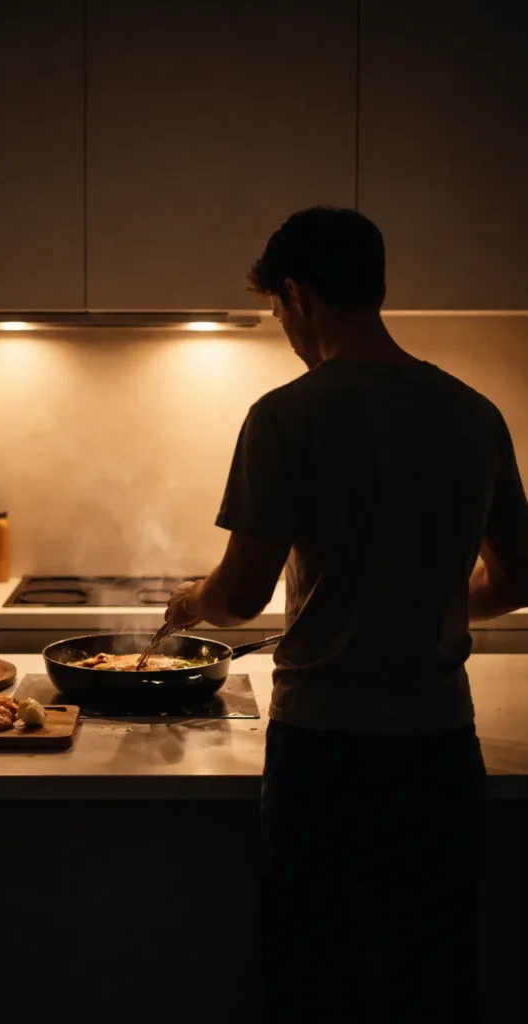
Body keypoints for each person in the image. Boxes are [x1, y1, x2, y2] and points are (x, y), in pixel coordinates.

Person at [164, 207, 528, 1023]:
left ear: (295, 294)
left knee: (315, 987)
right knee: (433, 983)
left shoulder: (286, 415)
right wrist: (422, 599)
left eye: (278, 312)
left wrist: (190, 601)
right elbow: (515, 579)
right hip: (439, 751)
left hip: (324, 755)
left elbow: (240, 596)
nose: (284, 332)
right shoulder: (474, 414)